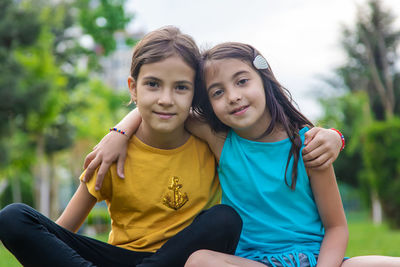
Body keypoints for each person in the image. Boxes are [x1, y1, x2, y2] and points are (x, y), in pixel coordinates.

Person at [0, 26, 243, 267]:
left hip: (179, 260)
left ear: (194, 94)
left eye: (181, 87)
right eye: (153, 84)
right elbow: (60, 232)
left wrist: (121, 128)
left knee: (225, 219)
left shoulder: (209, 142)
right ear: (133, 88)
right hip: (116, 259)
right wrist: (120, 133)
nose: (165, 99)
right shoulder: (110, 154)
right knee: (12, 218)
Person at [181, 42, 400, 266]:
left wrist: (335, 136)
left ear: (264, 80)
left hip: (315, 259)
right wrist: (140, 113)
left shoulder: (309, 145)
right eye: (218, 92)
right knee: (200, 261)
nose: (233, 96)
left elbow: (336, 227)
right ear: (209, 104)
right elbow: (167, 111)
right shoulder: (221, 141)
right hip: (255, 263)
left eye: (242, 81)